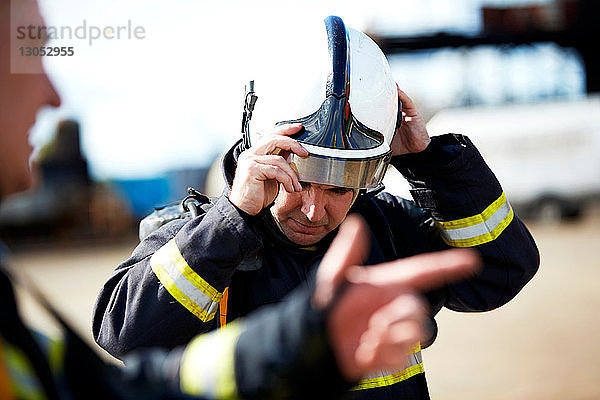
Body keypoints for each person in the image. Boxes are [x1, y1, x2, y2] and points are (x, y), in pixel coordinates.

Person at [0, 2, 485, 399]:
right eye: (296, 180)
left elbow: (499, 273)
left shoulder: (386, 226)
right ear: (259, 152)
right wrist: (231, 222)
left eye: (340, 185)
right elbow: (126, 337)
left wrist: (434, 164)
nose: (315, 211)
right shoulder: (197, 235)